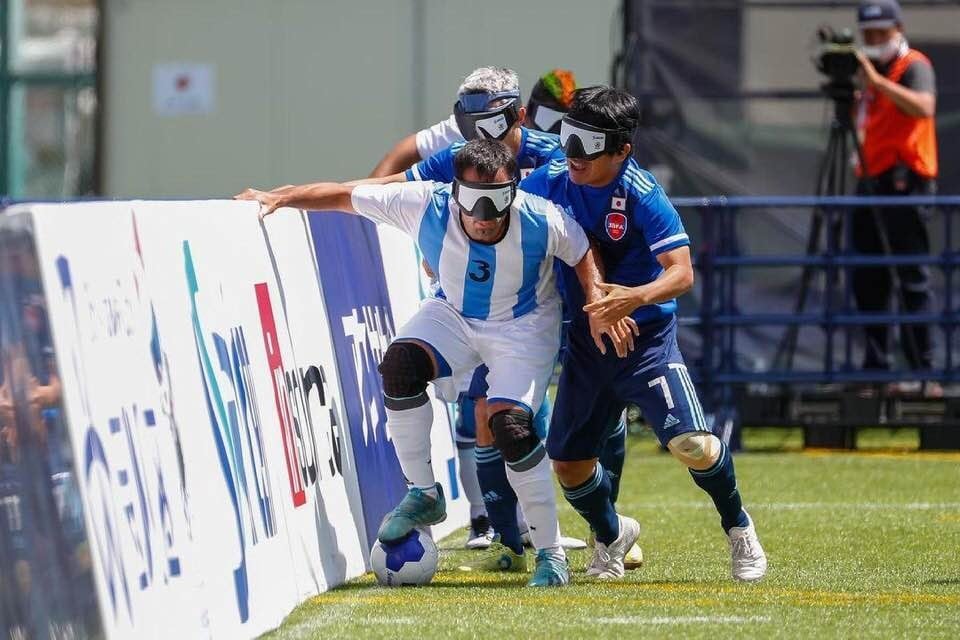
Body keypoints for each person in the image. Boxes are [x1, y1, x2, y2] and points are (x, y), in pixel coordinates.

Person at [237, 139, 638, 587]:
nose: (484, 216)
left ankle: (549, 553)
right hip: (454, 314)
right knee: (400, 365)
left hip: (522, 328)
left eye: (498, 201)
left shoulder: (540, 217)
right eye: (473, 201)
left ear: (514, 190)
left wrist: (598, 300)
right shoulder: (424, 204)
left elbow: (583, 251)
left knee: (511, 428)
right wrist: (281, 196)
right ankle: (424, 493)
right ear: (453, 191)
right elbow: (345, 194)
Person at [521, 86, 768, 581]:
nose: (572, 154)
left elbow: (681, 273)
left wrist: (632, 298)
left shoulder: (641, 192)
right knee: (568, 463)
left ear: (621, 150)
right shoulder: (549, 180)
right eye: (568, 137)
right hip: (586, 343)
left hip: (647, 344)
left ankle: (739, 527)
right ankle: (612, 536)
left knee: (692, 446)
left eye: (587, 145)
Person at [851, 0, 939, 390]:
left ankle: (925, 372)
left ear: (898, 29)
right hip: (871, 180)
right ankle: (878, 371)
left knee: (911, 279)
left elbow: (924, 106)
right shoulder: (874, 72)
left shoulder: (913, 65)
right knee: (869, 279)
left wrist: (877, 83)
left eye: (880, 33)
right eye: (867, 34)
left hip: (905, 181)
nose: (873, 41)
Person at [369, 68, 579, 179]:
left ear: (520, 115)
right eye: (545, 118)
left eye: (559, 122)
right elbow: (390, 183)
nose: (484, 138)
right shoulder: (457, 151)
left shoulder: (556, 155)